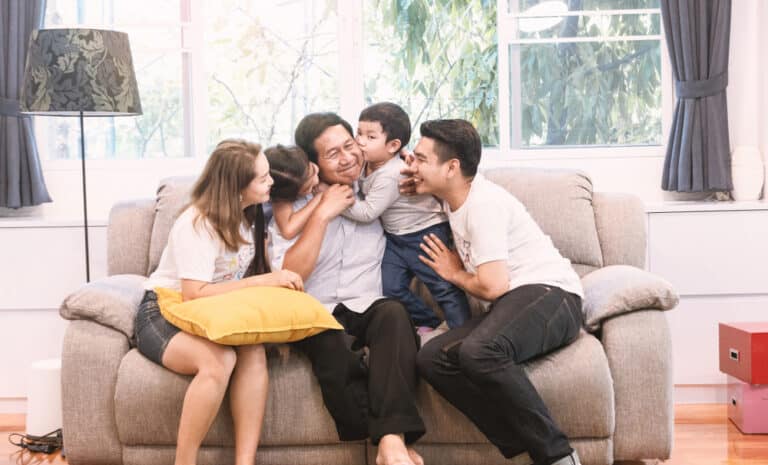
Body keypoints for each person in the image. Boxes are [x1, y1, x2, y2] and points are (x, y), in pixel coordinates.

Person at [403, 119, 585, 465]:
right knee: (432, 358)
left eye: (422, 158)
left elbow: (493, 286)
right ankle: (520, 442)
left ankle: (559, 455)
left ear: (452, 167)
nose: (414, 164)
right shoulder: (453, 196)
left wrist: (455, 274)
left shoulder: (484, 204)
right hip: (518, 302)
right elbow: (408, 175)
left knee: (479, 351)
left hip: (553, 296)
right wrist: (417, 178)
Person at [268, 112, 427, 465]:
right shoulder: (294, 203)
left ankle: (390, 442)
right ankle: (391, 440)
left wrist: (416, 166)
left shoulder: (381, 189)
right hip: (316, 309)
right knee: (331, 345)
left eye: (350, 145)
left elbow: (434, 177)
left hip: (366, 303)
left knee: (394, 314)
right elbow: (290, 275)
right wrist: (322, 213)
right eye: (332, 154)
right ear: (313, 163)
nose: (348, 157)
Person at [134, 139, 304, 465]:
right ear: (237, 187)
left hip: (214, 312)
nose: (271, 182)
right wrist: (266, 279)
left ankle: (245, 462)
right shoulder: (197, 224)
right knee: (219, 362)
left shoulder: (250, 215)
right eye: (262, 178)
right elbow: (193, 294)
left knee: (253, 349)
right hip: (163, 312)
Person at [343, 102, 470, 332]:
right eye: (358, 133)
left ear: (393, 145)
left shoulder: (392, 174)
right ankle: (430, 322)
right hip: (395, 238)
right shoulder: (366, 163)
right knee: (389, 287)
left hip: (425, 233)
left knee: (442, 287)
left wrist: (337, 203)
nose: (360, 141)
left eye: (370, 137)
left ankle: (462, 331)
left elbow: (368, 213)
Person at [264, 144, 322, 239]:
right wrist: (319, 199)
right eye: (307, 188)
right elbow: (288, 231)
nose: (316, 180)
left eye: (314, 170)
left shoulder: (301, 160)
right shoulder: (281, 198)